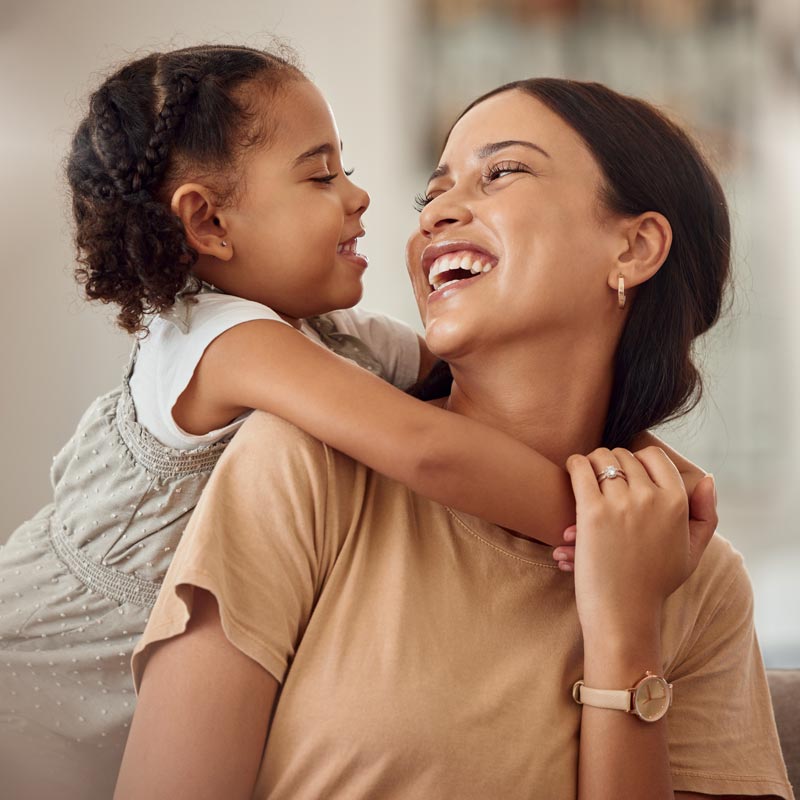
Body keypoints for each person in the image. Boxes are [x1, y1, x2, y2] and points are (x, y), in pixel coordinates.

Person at [117, 77, 794, 800]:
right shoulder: (302, 465)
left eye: (501, 172)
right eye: (432, 193)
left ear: (633, 247)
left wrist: (629, 629)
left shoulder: (699, 581)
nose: (435, 213)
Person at [0, 44, 596, 798]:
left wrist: (643, 458)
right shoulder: (223, 341)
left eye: (346, 169)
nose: (359, 196)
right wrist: (609, 524)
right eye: (321, 176)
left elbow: (479, 385)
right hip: (36, 674)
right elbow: (428, 448)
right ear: (209, 222)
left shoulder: (338, 337)